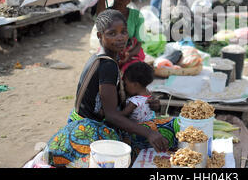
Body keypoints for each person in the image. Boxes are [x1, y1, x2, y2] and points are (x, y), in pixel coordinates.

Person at [48, 10, 179, 167]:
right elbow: (111, 116)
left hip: (80, 121)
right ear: (99, 36)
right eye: (112, 33)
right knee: (171, 127)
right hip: (90, 130)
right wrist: (149, 133)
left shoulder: (100, 58)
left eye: (123, 32)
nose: (120, 37)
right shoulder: (107, 65)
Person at [96, 0, 146, 73]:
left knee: (133, 72)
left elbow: (139, 43)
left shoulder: (137, 15)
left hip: (131, 54)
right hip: (109, 52)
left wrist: (128, 55)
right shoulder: (107, 14)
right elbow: (99, 17)